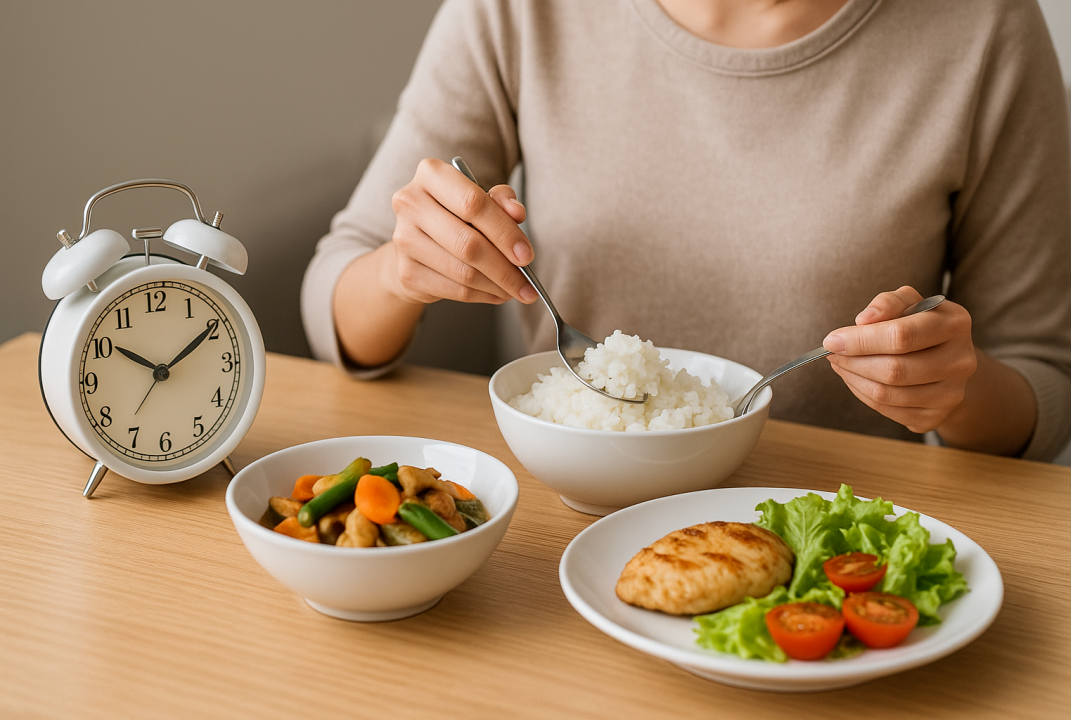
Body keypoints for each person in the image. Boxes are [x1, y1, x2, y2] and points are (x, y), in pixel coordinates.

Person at [302, 0, 1071, 460]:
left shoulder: (985, 26)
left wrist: (953, 391)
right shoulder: (518, 11)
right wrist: (402, 270)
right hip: (560, 534)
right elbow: (334, 295)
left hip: (831, 543)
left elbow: (1045, 378)